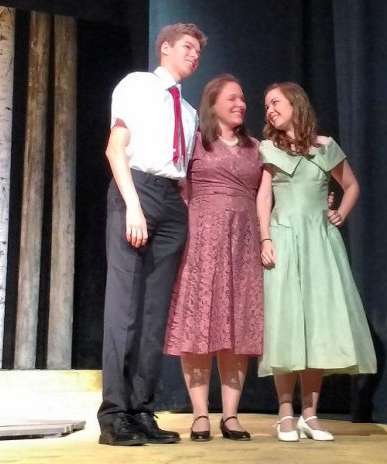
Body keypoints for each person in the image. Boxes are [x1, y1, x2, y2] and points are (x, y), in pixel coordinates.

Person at [97, 23, 207, 446]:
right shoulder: (140, 85)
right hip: (136, 189)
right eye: (186, 47)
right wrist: (133, 207)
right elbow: (115, 147)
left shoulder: (190, 110)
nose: (193, 56)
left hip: (170, 199)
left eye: (198, 51)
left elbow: (183, 170)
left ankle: (142, 408)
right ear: (165, 48)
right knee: (124, 310)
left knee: (153, 316)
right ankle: (114, 415)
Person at [256, 82, 377, 442]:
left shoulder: (325, 147)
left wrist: (340, 213)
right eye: (266, 106)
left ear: (295, 103)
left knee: (318, 325)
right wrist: (265, 238)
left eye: (275, 102)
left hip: (319, 243)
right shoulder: (268, 150)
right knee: (287, 323)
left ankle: (310, 413)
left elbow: (351, 185)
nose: (270, 110)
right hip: (284, 239)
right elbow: (263, 199)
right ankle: (285, 413)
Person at [164, 75, 264, 442]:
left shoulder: (256, 147)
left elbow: (270, 194)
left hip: (243, 242)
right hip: (201, 241)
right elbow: (178, 187)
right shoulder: (195, 142)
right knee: (199, 322)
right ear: (214, 104)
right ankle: (201, 413)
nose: (241, 104)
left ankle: (231, 415)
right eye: (233, 98)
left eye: (243, 99)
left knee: (237, 325)